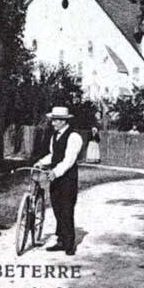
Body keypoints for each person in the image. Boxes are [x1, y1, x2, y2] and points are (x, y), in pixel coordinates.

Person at [35, 106, 83, 256]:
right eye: (53, 120)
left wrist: (56, 172)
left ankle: (69, 244)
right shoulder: (54, 136)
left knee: (67, 209)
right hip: (55, 178)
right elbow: (53, 155)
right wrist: (41, 162)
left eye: (55, 120)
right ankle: (61, 240)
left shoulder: (74, 137)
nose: (53, 123)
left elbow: (69, 159)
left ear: (63, 121)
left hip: (68, 179)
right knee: (57, 208)